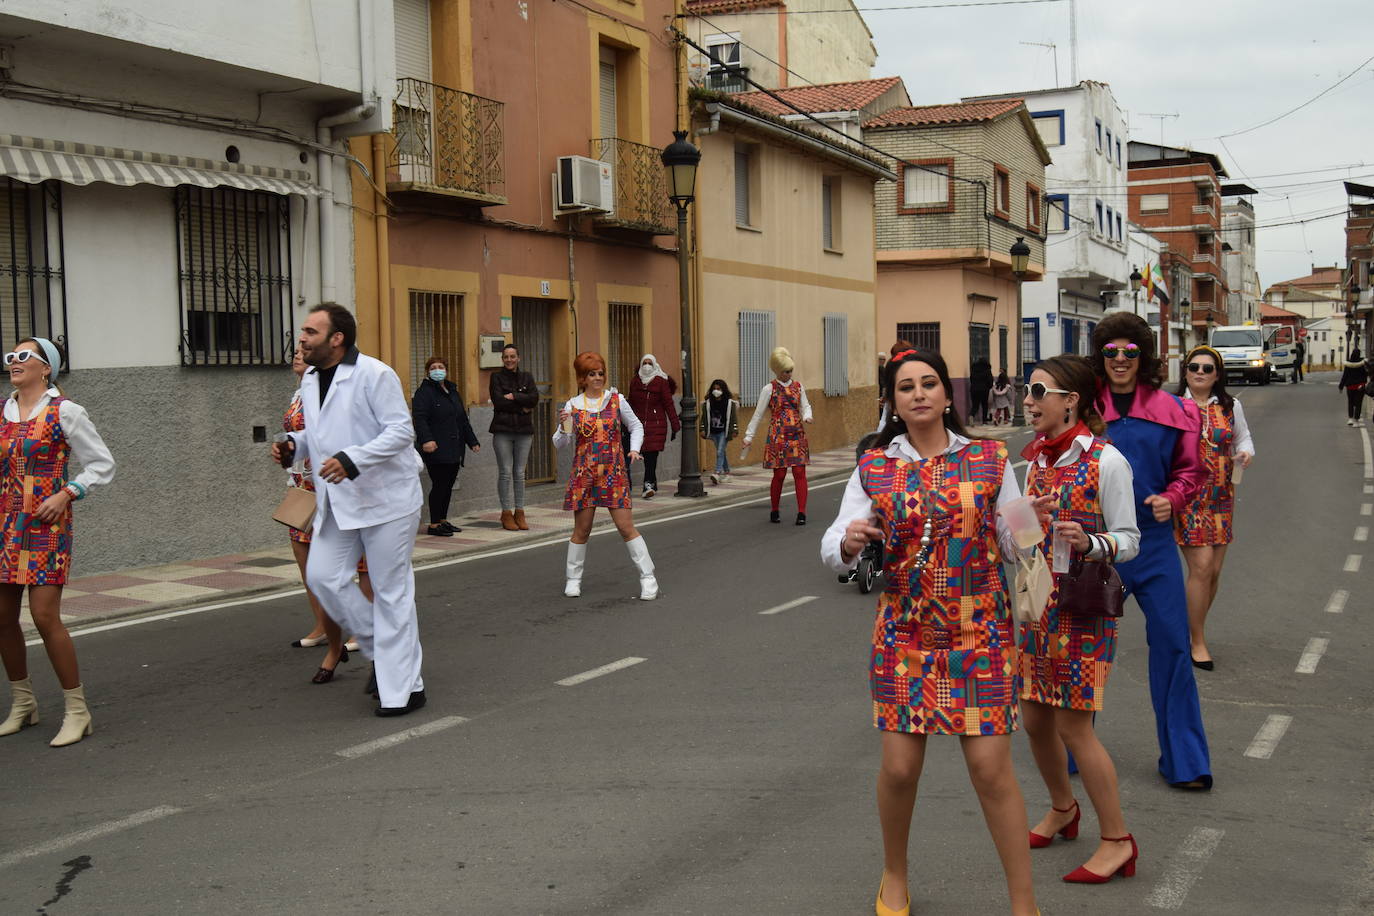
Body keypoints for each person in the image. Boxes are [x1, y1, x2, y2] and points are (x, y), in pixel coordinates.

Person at [822, 347, 1043, 916]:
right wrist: (848, 542)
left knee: (991, 770)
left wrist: (1032, 525)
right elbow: (833, 543)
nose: (918, 394)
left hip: (981, 633)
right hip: (905, 634)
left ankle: (1024, 903)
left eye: (928, 384)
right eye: (905, 387)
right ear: (893, 403)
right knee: (899, 768)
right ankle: (894, 874)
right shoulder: (874, 466)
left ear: (948, 395)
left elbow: (1022, 538)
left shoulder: (994, 461)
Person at [1018, 355, 1142, 885]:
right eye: (1028, 390)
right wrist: (1032, 520)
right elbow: (1018, 540)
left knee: (1073, 724)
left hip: (1085, 611)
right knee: (1033, 716)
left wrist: (1090, 543)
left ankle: (1117, 840)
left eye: (1038, 390)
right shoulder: (1033, 463)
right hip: (1038, 607)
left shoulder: (1108, 462)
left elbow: (1131, 540)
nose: (1028, 400)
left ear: (1071, 400)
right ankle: (1063, 808)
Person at [273, 303, 427, 717]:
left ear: (336, 338)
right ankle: (386, 651)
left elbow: (401, 431)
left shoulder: (375, 374)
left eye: (310, 331)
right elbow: (319, 431)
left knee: (391, 592)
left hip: (387, 501)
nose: (301, 338)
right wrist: (295, 444)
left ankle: (404, 690)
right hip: (338, 501)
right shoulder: (311, 379)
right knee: (323, 577)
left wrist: (353, 458)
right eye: (303, 331)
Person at [1091, 312, 1212, 789]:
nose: (1121, 360)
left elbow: (1192, 471)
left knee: (1174, 647)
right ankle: (1073, 749)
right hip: (1097, 548)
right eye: (1111, 352)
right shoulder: (1082, 409)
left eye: (1131, 352)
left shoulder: (1178, 411)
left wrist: (1174, 498)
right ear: (1100, 357)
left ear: (1144, 357)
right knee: (1085, 652)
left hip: (1155, 546)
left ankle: (1185, 760)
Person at [0, 337, 114, 747]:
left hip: (47, 525)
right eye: (10, 356)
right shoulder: (3, 409)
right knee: (2, 617)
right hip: (4, 524)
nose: (14, 362)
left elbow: (102, 463)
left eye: (23, 356)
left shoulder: (65, 411)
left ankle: (78, 711)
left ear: (46, 367)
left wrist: (68, 493)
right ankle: (23, 704)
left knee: (45, 616)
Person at [283, 346, 370, 682]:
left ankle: (358, 632)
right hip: (303, 488)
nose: (298, 356)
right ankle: (324, 627)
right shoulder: (299, 392)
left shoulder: (342, 390)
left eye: (306, 350)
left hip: (342, 488)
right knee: (309, 563)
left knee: (357, 566)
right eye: (296, 351)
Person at [1174, 346, 1254, 670]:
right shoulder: (1174, 407)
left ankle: (1191, 629)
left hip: (1222, 495)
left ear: (1217, 374)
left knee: (1215, 572)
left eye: (1208, 368)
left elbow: (1243, 438)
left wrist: (1245, 454)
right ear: (1186, 371)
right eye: (1194, 367)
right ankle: (1197, 641)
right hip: (1189, 496)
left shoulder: (1231, 406)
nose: (1200, 373)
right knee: (1202, 567)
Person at [554, 352, 658, 600]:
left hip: (613, 472)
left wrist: (634, 449)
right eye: (592, 374)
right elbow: (561, 443)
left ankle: (648, 578)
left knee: (625, 526)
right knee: (582, 529)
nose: (598, 378)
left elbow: (636, 426)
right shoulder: (572, 405)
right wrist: (562, 426)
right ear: (582, 378)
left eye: (600, 373)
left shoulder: (616, 400)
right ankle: (573, 579)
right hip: (584, 473)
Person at [742, 347, 812, 525]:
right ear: (778, 371)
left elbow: (805, 405)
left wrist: (807, 416)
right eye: (785, 371)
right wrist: (749, 436)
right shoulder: (769, 389)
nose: (789, 374)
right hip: (778, 435)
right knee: (779, 475)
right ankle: (774, 509)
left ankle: (802, 512)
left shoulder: (798, 387)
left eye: (790, 371)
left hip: (797, 433)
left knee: (799, 472)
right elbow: (758, 414)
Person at [412, 356, 480, 537]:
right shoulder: (423, 393)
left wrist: (472, 441)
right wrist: (426, 439)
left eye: (440, 367)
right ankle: (434, 524)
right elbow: (420, 418)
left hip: (454, 446)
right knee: (440, 484)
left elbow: (462, 419)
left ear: (446, 370)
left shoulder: (451, 391)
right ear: (428, 372)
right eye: (433, 367)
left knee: (448, 484)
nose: (437, 370)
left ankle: (443, 520)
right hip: (435, 446)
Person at [489, 344, 538, 531]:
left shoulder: (527, 377)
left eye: (512, 356)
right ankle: (506, 513)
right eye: (506, 357)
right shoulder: (496, 377)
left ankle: (520, 511)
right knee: (505, 472)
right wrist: (521, 404)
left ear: (518, 358)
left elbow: (534, 399)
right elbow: (498, 402)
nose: (509, 360)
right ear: (502, 359)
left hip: (524, 432)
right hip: (502, 431)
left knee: (519, 473)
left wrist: (514, 396)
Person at [625, 354, 679, 500]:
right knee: (645, 455)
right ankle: (652, 484)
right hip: (639, 425)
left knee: (651, 457)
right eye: (645, 363)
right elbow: (630, 403)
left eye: (650, 363)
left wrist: (675, 425)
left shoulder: (661, 382)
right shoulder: (635, 382)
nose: (647, 366)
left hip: (656, 425)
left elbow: (669, 404)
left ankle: (647, 484)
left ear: (655, 365)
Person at [699, 378, 739, 484]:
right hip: (713, 431)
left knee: (720, 451)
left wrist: (735, 429)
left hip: (723, 431)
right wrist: (702, 428)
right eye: (714, 388)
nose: (716, 390)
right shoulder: (708, 403)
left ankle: (717, 472)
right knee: (721, 452)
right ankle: (727, 473)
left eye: (718, 388)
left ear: (723, 390)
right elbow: (704, 418)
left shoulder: (729, 403)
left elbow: (733, 417)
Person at [1339, 349, 1366, 427]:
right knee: (1358, 403)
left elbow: (1345, 375)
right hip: (1360, 386)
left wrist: (1341, 386)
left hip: (1350, 386)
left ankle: (1350, 418)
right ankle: (1356, 421)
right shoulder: (1362, 363)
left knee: (1350, 402)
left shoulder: (1348, 363)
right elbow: (1365, 374)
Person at [970, 357, 994, 425]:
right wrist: (989, 386)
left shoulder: (973, 369)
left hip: (974, 389)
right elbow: (990, 381)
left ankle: (971, 415)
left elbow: (971, 379)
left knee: (975, 405)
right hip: (984, 390)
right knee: (984, 405)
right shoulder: (987, 370)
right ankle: (984, 421)